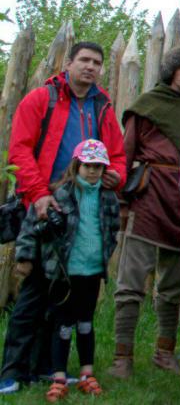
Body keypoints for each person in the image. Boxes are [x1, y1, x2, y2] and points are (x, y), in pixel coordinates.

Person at [0, 41, 126, 394]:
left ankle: (45, 368)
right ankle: (11, 371)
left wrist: (117, 175)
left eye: (97, 62)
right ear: (68, 63)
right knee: (33, 295)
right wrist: (38, 195)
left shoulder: (102, 106)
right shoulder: (42, 99)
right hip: (46, 207)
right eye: (84, 60)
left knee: (61, 299)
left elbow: (116, 155)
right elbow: (20, 149)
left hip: (82, 210)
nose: (90, 67)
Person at [112, 43, 180, 379]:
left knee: (173, 284)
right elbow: (125, 155)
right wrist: (124, 203)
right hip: (149, 198)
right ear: (170, 70)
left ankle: (164, 353)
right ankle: (121, 357)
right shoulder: (146, 106)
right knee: (131, 281)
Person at [13, 140, 120, 402]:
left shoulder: (108, 197)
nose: (93, 171)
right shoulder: (60, 194)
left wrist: (105, 251)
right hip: (65, 270)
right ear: (76, 165)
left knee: (86, 322)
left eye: (98, 166)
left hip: (93, 269)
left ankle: (87, 373)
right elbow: (31, 225)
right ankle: (58, 375)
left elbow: (114, 226)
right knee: (61, 323)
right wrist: (25, 256)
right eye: (87, 166)